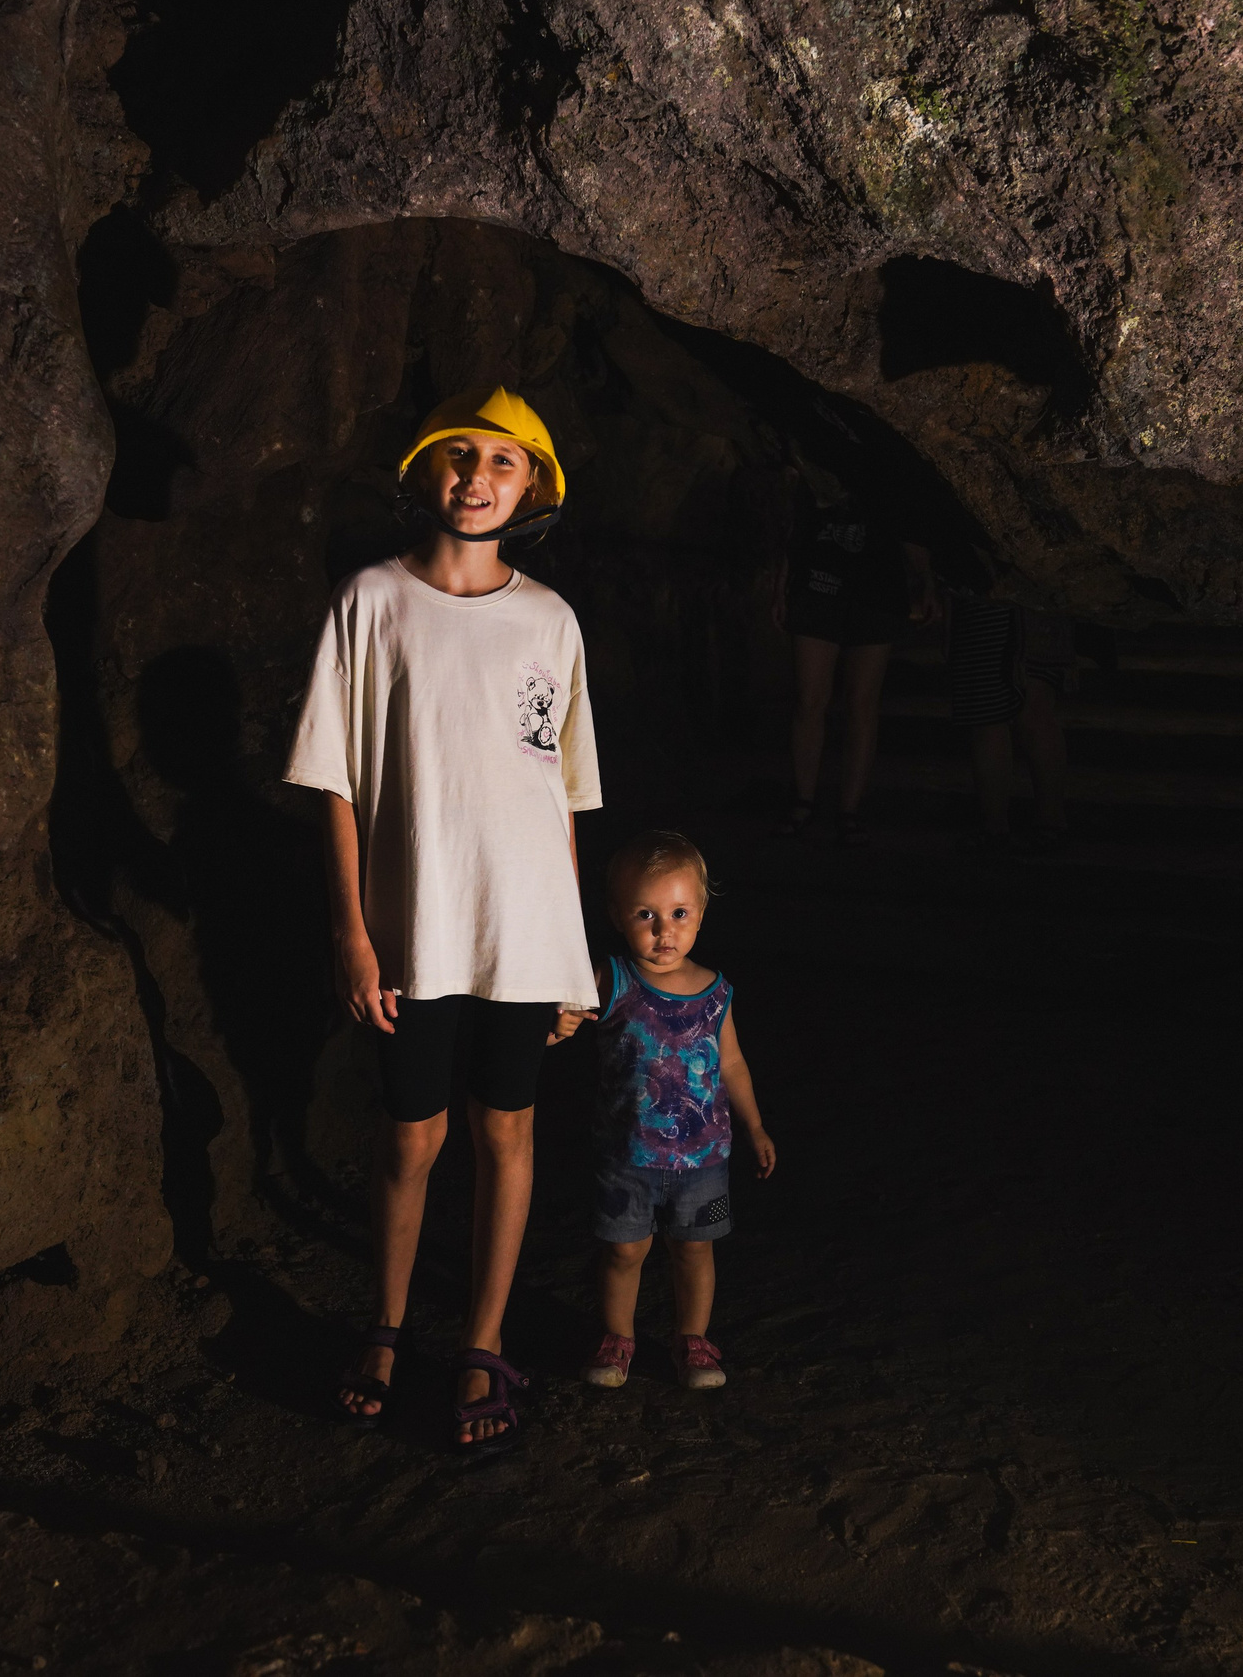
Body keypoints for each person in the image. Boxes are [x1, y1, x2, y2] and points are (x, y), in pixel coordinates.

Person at [285, 387, 601, 1455]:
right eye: (460, 455)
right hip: (414, 926)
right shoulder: (372, 600)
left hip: (524, 929)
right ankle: (383, 1328)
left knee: (505, 1130)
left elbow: (560, 794)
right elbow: (334, 778)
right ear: (427, 472)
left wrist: (571, 963)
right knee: (411, 1135)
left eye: (504, 461)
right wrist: (351, 931)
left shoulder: (550, 620)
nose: (477, 476)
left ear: (532, 487)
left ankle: (482, 1340)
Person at [551, 830, 776, 1392]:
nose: (663, 930)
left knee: (695, 1250)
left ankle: (693, 1339)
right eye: (645, 914)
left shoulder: (716, 992)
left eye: (678, 913)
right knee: (623, 1251)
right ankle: (617, 1337)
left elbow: (732, 1063)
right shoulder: (610, 979)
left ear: (700, 912)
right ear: (617, 916)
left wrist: (754, 1126)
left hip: (703, 1159)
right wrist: (558, 1024)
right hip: (625, 1155)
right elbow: (557, 1027)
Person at [770, 457, 935, 846]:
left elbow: (908, 524)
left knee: (862, 703)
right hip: (818, 588)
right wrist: (781, 587)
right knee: (810, 700)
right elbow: (796, 527)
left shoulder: (888, 468)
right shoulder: (815, 464)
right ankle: (804, 801)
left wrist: (926, 580)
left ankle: (849, 809)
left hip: (875, 593)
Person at [947, 597, 1073, 853]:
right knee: (1031, 710)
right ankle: (1049, 825)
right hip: (1042, 600)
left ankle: (998, 828)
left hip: (992, 601)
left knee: (991, 713)